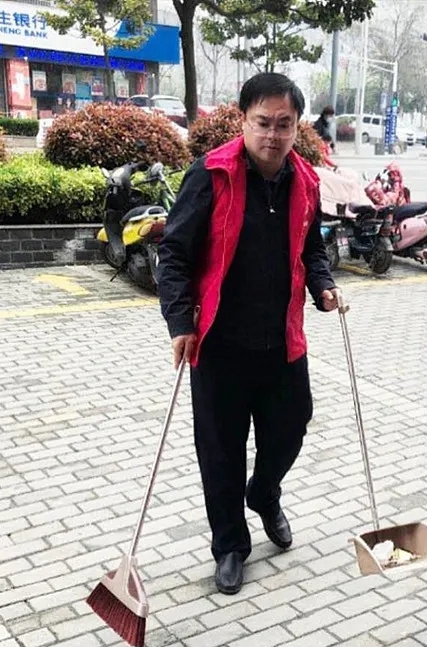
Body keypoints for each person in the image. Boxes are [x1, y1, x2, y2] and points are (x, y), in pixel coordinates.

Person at [156, 73, 341, 595]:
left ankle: (264, 492)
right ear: (243, 121)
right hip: (218, 343)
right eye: (263, 122)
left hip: (282, 340)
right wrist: (180, 322)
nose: (272, 135)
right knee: (221, 451)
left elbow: (311, 248)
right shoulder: (211, 174)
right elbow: (174, 253)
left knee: (292, 426)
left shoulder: (305, 180)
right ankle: (230, 546)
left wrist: (323, 285)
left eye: (284, 124)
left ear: (297, 127)